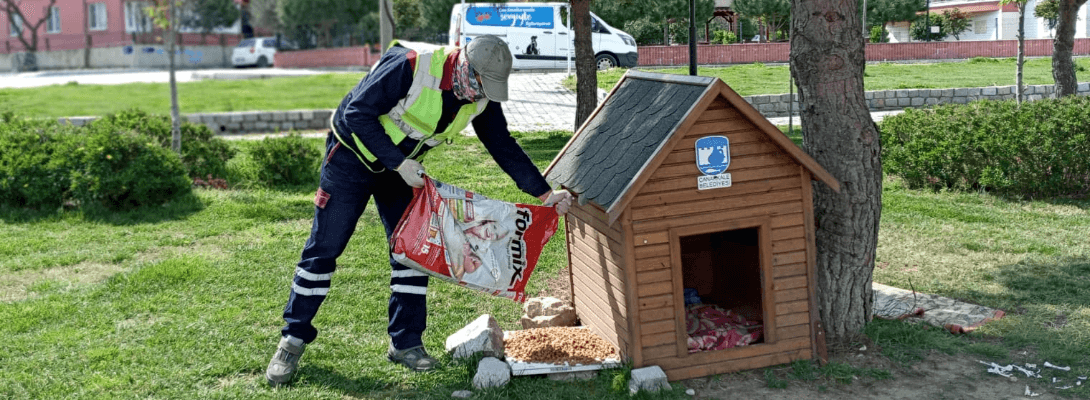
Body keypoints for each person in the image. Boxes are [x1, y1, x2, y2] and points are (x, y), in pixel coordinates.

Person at [265, 35, 573, 386]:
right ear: (465, 67)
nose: (483, 95)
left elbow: (502, 144)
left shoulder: (481, 94)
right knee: (324, 250)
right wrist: (398, 163)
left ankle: (406, 343)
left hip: (403, 170)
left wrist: (544, 193)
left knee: (413, 253)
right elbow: (357, 114)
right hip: (351, 158)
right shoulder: (412, 65)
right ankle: (292, 341)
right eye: (482, 86)